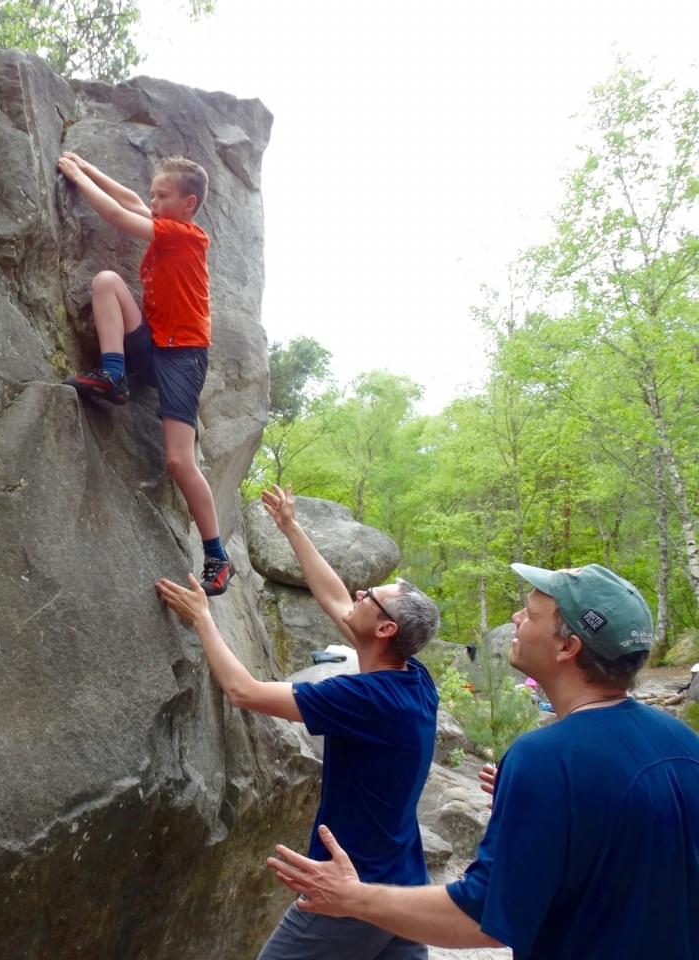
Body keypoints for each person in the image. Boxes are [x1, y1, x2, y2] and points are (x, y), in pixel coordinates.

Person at [268, 562, 699, 960]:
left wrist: (351, 897)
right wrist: (542, 811)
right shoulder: (682, 742)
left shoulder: (547, 758)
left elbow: (481, 914)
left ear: (568, 646)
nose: (515, 619)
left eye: (530, 614)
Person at [155, 484, 442, 959]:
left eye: (371, 595)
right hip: (403, 884)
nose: (359, 593)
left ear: (386, 628)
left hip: (354, 889)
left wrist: (203, 619)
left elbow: (244, 692)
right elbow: (334, 598)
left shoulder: (367, 698)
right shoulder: (414, 677)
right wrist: (290, 527)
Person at [56, 151, 232, 595]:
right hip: (154, 344)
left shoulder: (186, 236)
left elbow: (118, 212)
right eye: (154, 194)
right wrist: (89, 168)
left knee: (178, 460)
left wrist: (76, 174)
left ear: (188, 203)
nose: (153, 202)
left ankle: (217, 556)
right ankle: (113, 375)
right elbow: (131, 198)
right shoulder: (164, 225)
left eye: (164, 195)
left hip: (183, 358)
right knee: (106, 283)